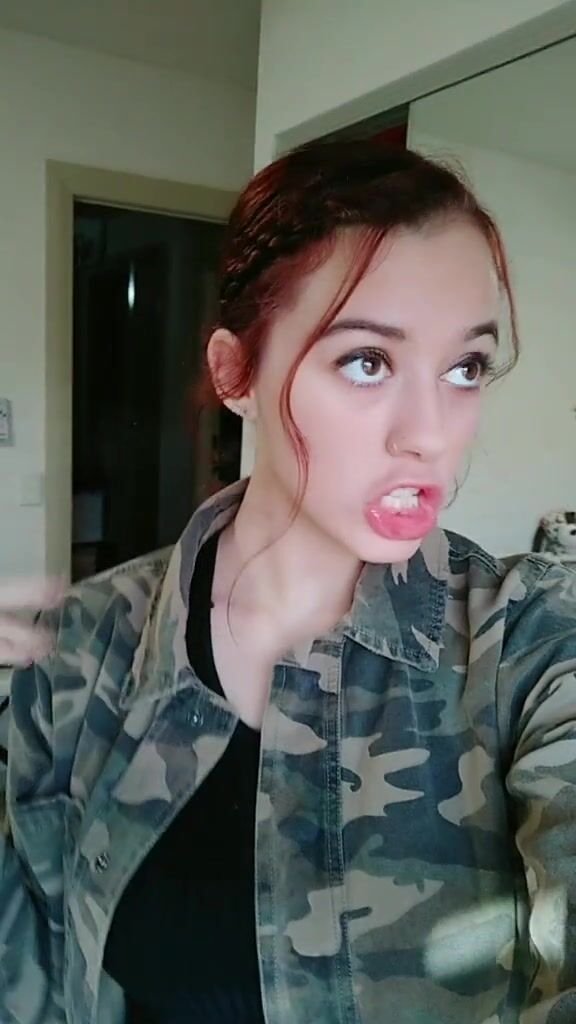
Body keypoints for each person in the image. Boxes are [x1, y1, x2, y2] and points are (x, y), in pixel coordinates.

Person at [1, 139, 575, 1024]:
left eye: (465, 368)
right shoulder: (79, 650)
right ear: (235, 373)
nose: (431, 435)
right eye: (367, 361)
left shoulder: (528, 650)